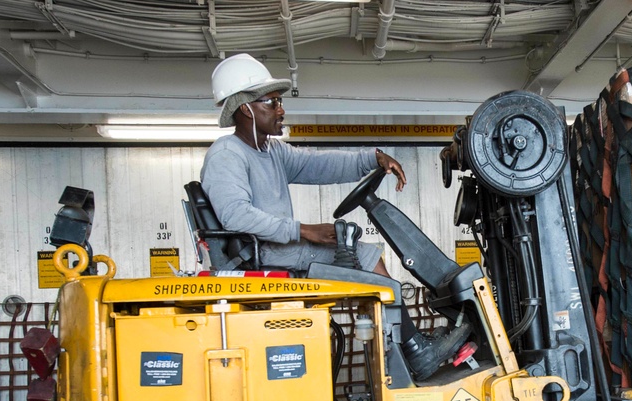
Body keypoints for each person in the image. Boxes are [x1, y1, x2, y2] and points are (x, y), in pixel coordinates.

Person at [201, 53, 469, 381]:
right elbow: (235, 216)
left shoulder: (270, 152)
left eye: (280, 101)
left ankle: (399, 349)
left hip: (273, 247)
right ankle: (413, 349)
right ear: (245, 108)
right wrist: (304, 231)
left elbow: (318, 164)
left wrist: (371, 159)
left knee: (357, 251)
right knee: (364, 256)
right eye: (272, 103)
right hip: (262, 254)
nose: (281, 109)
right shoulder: (227, 155)